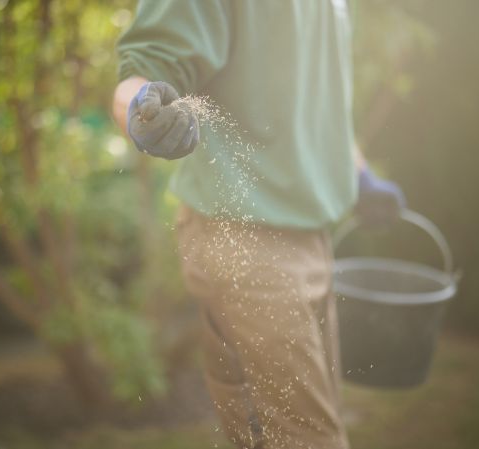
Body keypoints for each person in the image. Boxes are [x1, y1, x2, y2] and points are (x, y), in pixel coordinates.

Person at [113, 1, 404, 448]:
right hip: (244, 239)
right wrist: (141, 110)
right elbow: (140, 72)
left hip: (313, 237)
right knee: (309, 441)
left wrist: (357, 173)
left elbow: (315, 99)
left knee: (302, 431)